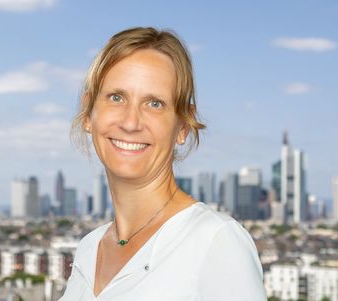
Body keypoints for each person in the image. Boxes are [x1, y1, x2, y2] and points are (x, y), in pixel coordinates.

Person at [60, 27, 266, 300]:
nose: (131, 122)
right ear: (88, 112)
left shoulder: (215, 241)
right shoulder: (90, 247)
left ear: (182, 125)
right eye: (116, 97)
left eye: (154, 103)